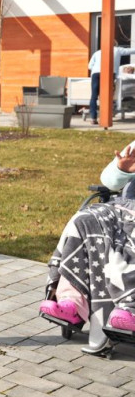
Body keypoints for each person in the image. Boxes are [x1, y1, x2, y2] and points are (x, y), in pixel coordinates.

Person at [40, 138, 135, 340]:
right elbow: (108, 180)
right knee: (83, 221)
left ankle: (130, 308)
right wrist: (122, 169)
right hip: (123, 209)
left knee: (127, 244)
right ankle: (71, 303)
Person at [87, 45, 135, 124]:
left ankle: (93, 118)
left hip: (96, 73)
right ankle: (107, 117)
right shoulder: (117, 50)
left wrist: (98, 69)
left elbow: (89, 66)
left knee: (94, 96)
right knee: (108, 95)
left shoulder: (97, 52)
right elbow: (131, 51)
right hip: (109, 73)